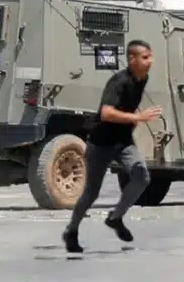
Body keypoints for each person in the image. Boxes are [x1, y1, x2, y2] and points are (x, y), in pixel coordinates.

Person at [62, 40, 162, 254]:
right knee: (91, 194)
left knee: (141, 176)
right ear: (132, 59)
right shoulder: (118, 82)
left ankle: (115, 217)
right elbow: (106, 113)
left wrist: (132, 119)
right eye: (145, 57)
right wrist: (137, 117)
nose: (150, 61)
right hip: (101, 143)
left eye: (150, 56)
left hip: (124, 141)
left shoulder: (143, 78)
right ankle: (71, 230)